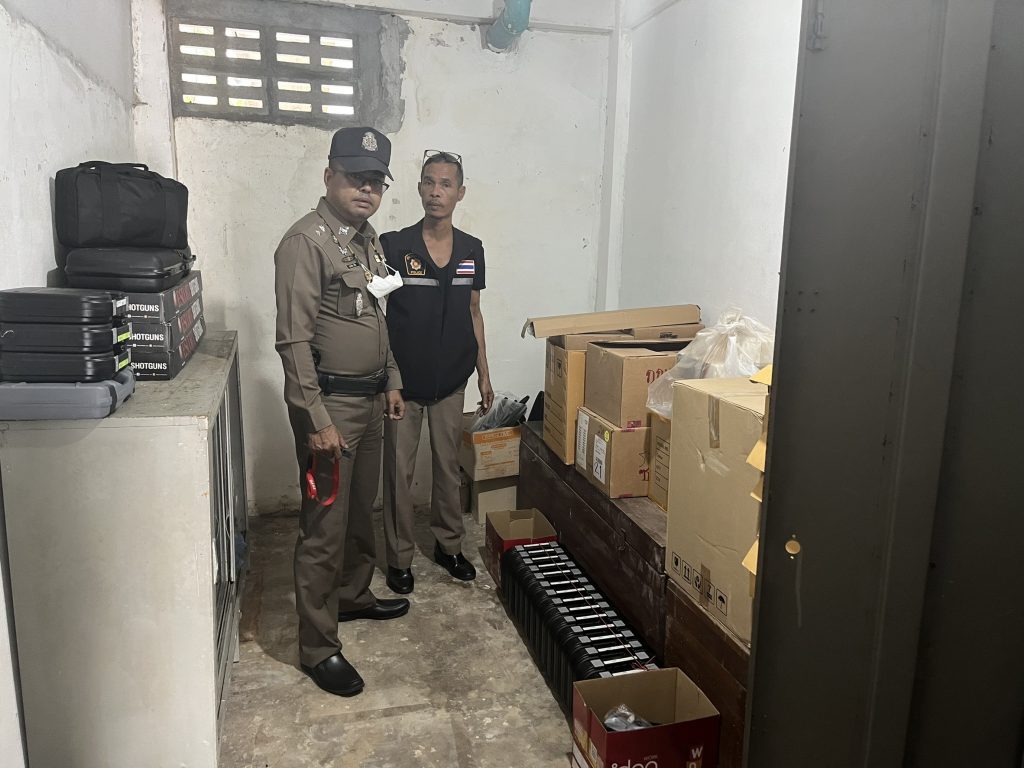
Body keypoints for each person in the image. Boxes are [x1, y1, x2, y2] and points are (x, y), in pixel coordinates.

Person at [274, 126, 409, 698]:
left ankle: (352, 596)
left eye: (376, 181)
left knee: (360, 514)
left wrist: (392, 380)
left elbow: (377, 317)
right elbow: (293, 341)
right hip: (331, 405)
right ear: (329, 175)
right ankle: (317, 646)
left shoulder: (367, 241)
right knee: (324, 530)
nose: (366, 189)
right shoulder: (306, 243)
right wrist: (316, 420)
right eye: (356, 177)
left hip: (371, 400)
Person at [379, 150, 493, 594]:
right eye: (428, 182)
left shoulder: (471, 249)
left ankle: (449, 547)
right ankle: (399, 558)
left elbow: (474, 312)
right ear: (419, 188)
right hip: (402, 385)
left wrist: (484, 374)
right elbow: (376, 314)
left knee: (447, 467)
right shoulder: (394, 246)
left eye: (445, 184)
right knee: (399, 473)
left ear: (460, 193)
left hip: (452, 380)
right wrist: (387, 377)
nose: (435, 191)